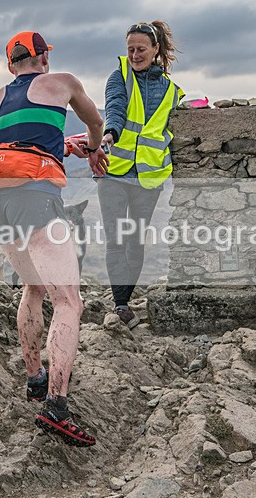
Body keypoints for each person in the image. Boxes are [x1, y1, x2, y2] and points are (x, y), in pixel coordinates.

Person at [0, 31, 108, 447]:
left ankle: (35, 378)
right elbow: (95, 122)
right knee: (69, 300)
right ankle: (56, 405)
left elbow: (23, 139)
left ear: (10, 64)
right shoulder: (64, 82)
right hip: (36, 199)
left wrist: (59, 147)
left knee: (33, 287)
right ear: (44, 59)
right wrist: (91, 149)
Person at [97, 20, 184, 328]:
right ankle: (121, 304)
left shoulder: (172, 91)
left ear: (156, 49)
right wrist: (110, 132)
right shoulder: (118, 76)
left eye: (141, 49)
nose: (134, 55)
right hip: (114, 171)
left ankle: (126, 298)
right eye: (130, 49)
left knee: (136, 240)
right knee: (116, 239)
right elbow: (115, 107)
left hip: (149, 176)